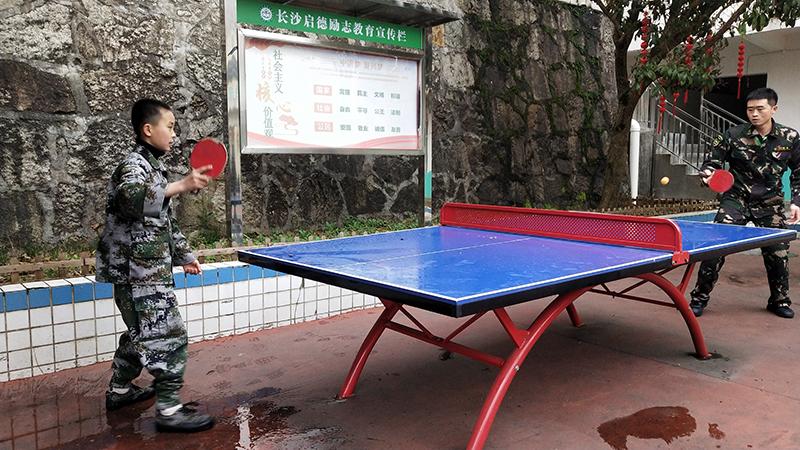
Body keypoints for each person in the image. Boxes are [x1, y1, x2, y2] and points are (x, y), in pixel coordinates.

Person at [95, 98, 216, 432]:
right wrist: (182, 184)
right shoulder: (134, 165)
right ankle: (169, 410)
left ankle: (120, 391)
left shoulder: (154, 168)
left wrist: (185, 255)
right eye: (170, 126)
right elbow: (129, 198)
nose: (175, 134)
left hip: (145, 271)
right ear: (148, 130)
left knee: (140, 335)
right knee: (167, 335)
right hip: (138, 274)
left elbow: (164, 223)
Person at [689, 87, 800, 319]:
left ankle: (779, 301)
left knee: (778, 253)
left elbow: (799, 172)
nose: (754, 114)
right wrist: (708, 173)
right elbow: (711, 162)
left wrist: (796, 201)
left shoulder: (790, 137)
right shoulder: (733, 134)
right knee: (714, 248)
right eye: (750, 110)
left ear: (774, 109)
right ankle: (698, 299)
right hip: (736, 199)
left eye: (760, 109)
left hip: (771, 203)